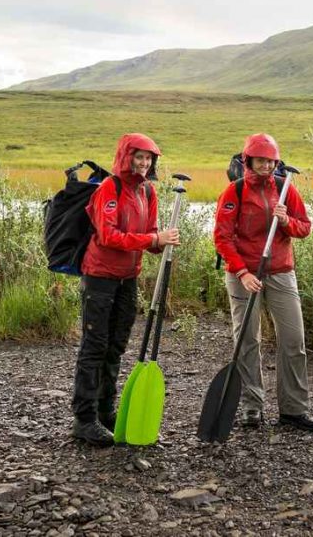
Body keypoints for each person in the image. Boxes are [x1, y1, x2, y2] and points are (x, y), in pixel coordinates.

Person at [71, 133, 180, 447]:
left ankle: (106, 413)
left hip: (127, 278)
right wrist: (152, 240)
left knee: (115, 347)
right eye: (139, 157)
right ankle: (84, 419)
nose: (144, 163)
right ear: (126, 156)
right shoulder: (110, 188)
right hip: (100, 277)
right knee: (94, 347)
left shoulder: (147, 191)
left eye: (149, 158)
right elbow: (108, 236)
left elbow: (148, 237)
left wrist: (163, 241)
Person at [213, 133, 313, 432]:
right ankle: (252, 406)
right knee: (247, 340)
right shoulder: (233, 192)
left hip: (280, 271)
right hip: (244, 274)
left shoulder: (286, 188)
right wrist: (242, 272)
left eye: (271, 160)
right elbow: (222, 237)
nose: (266, 165)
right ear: (248, 160)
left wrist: (286, 221)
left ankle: (294, 410)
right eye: (261, 160)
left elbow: (305, 228)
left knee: (293, 341)